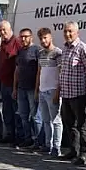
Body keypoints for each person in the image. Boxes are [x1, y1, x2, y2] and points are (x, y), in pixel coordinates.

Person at [58, 21, 86, 165]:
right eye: (66, 31)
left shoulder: (82, 48)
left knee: (82, 124)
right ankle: (73, 150)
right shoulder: (65, 48)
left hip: (79, 93)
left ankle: (84, 154)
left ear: (77, 33)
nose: (67, 34)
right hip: (66, 93)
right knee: (69, 124)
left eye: (70, 31)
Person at [34, 27, 63, 156]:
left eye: (45, 37)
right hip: (42, 90)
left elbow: (61, 73)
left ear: (50, 37)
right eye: (41, 38)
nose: (43, 40)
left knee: (56, 120)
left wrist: (58, 91)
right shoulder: (40, 53)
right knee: (46, 120)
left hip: (52, 90)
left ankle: (57, 147)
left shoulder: (58, 53)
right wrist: (37, 89)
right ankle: (48, 144)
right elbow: (39, 72)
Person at [13, 28, 41, 149]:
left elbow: (40, 71)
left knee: (35, 116)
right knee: (23, 115)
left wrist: (37, 89)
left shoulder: (37, 50)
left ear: (31, 37)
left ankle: (38, 141)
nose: (23, 39)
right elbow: (17, 70)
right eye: (21, 37)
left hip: (32, 88)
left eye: (26, 36)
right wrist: (14, 88)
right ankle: (27, 138)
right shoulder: (20, 51)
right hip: (21, 88)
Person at [0, 20, 23, 144]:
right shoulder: (3, 43)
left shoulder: (16, 42)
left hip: (14, 84)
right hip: (4, 83)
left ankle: (19, 136)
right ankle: (9, 134)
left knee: (16, 111)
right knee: (6, 111)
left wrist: (15, 86)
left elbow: (18, 64)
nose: (2, 32)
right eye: (0, 30)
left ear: (10, 29)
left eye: (4, 30)